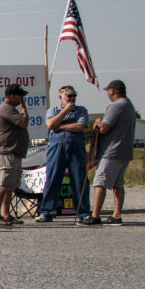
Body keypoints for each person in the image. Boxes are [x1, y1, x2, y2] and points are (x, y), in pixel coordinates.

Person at [83, 79, 137, 226]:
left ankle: (95, 215)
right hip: (124, 152)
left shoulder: (116, 106)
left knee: (99, 182)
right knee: (118, 184)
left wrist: (98, 122)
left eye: (108, 91)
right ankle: (116, 215)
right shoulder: (129, 105)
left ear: (112, 91)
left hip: (111, 151)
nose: (107, 93)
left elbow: (104, 128)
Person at [35, 84, 91, 222]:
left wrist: (60, 126)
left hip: (76, 147)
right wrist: (65, 111)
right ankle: (47, 211)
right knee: (53, 178)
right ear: (61, 97)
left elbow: (80, 126)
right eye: (69, 96)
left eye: (74, 96)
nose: (72, 98)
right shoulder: (53, 110)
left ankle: (83, 212)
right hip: (57, 148)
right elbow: (50, 124)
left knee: (79, 178)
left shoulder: (81, 110)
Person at [0, 83, 30, 226]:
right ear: (12, 96)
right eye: (20, 96)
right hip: (7, 152)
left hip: (14, 152)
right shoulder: (6, 108)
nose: (21, 99)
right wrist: (24, 109)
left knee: (10, 186)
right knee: (3, 184)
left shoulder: (11, 109)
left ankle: (6, 214)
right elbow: (23, 123)